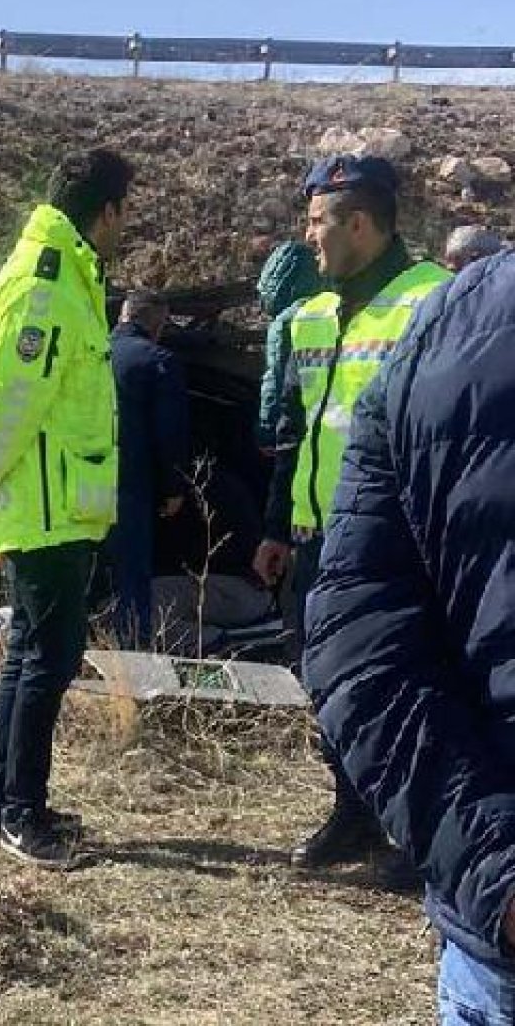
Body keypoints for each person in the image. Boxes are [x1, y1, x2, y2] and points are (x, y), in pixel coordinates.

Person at [303, 251, 515, 1023]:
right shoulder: (435, 333)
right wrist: (498, 871)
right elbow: (360, 641)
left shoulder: (433, 327)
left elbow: (358, 645)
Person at [251, 154, 451, 873]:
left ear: (358, 223)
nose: (307, 238)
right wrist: (277, 525)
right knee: (326, 683)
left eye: (315, 223)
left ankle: (414, 832)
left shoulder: (435, 302)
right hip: (315, 538)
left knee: (402, 687)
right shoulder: (309, 317)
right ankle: (354, 812)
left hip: (401, 542)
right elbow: (297, 432)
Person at [0, 149, 131, 868]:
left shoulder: (66, 275)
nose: (126, 228)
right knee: (45, 660)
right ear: (106, 210)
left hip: (55, 505)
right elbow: (8, 403)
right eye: (126, 214)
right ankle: (23, 812)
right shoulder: (45, 284)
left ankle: (7, 804)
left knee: (33, 654)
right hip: (44, 508)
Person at [110, 290, 190, 647]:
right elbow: (169, 432)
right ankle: (130, 654)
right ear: (156, 324)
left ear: (122, 316)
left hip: (76, 482)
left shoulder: (88, 352)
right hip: (130, 484)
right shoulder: (158, 361)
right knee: (131, 575)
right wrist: (174, 488)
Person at [151, 464, 274, 658]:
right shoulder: (224, 480)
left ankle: (218, 643)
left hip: (239, 590)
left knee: (139, 602)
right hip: (249, 591)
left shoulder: (195, 491)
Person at [255, 241, 324, 450]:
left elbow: (275, 379)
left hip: (293, 424)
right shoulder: (328, 309)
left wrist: (266, 430)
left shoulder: (285, 323)